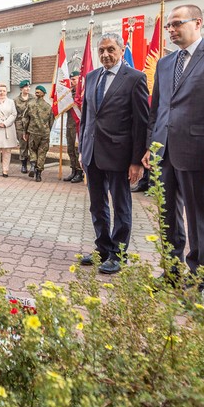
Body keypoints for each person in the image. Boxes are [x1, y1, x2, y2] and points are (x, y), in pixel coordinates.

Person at [143, 5, 204, 285]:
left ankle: (199, 277)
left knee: (199, 218)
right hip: (164, 151)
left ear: (198, 23)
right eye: (168, 26)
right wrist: (151, 145)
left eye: (176, 24)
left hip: (199, 153)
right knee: (168, 216)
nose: (171, 30)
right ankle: (171, 270)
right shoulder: (164, 63)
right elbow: (157, 108)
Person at [79, 33, 149, 274]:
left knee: (121, 206)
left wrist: (136, 161)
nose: (105, 54)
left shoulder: (135, 78)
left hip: (120, 155)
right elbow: (87, 117)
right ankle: (102, 247)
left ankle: (118, 253)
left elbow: (141, 123)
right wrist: (82, 149)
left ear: (121, 50)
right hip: (92, 154)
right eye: (101, 50)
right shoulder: (91, 77)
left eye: (110, 49)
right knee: (97, 205)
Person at [23, 85, 54, 182]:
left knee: (32, 149)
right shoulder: (48, 107)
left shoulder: (30, 104)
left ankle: (32, 165)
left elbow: (25, 119)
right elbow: (51, 121)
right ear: (44, 94)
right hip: (44, 133)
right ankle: (38, 174)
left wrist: (25, 131)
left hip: (33, 132)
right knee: (42, 152)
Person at [64, 71, 83, 183]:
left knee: (77, 149)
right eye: (71, 80)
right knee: (70, 149)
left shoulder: (82, 93)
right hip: (70, 124)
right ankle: (73, 170)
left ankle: (80, 172)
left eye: (74, 79)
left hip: (79, 125)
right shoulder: (68, 94)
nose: (72, 82)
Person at [13, 80, 33, 173]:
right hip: (20, 125)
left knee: (32, 145)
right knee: (23, 145)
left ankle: (33, 164)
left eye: (28, 87)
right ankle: (24, 165)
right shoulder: (16, 100)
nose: (27, 88)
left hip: (31, 125)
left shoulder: (33, 98)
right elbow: (14, 114)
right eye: (25, 87)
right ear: (21, 89)